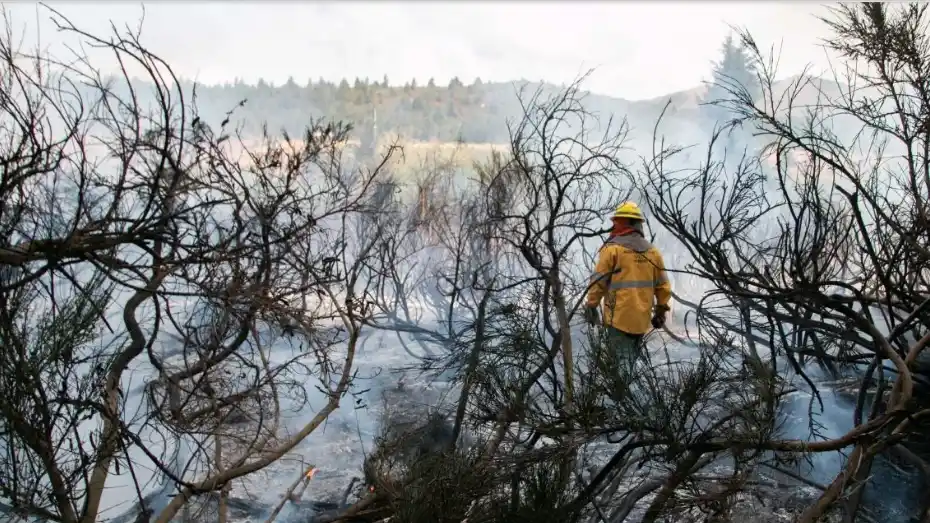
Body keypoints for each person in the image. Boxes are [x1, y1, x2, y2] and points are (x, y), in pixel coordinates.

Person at [584, 201, 672, 399]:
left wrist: (591, 305)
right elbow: (663, 286)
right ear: (638, 225)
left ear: (623, 223)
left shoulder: (613, 249)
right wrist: (660, 311)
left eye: (616, 222)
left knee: (619, 365)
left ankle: (619, 405)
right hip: (641, 320)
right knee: (628, 363)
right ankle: (623, 404)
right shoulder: (652, 252)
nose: (614, 226)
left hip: (618, 318)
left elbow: (598, 280)